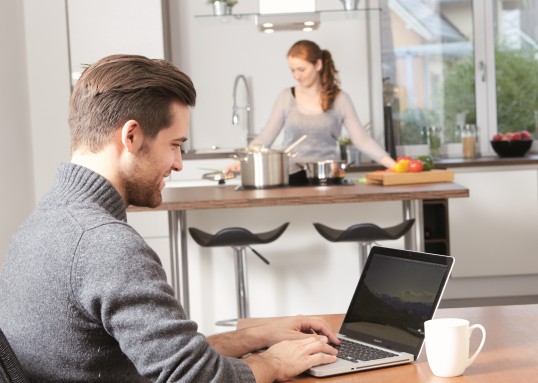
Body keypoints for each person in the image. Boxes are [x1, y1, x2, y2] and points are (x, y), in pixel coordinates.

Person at [0, 54, 340, 382]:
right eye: (175, 144)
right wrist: (274, 362)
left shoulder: (43, 223)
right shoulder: (103, 244)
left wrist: (255, 337)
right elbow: (195, 378)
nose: (177, 163)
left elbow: (157, 362)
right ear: (130, 136)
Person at [227, 40, 396, 185]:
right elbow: (265, 139)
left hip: (328, 177)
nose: (296, 76)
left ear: (318, 65)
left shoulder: (340, 99)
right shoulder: (286, 98)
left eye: (301, 69)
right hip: (291, 176)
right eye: (292, 70)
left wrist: (395, 166)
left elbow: (363, 141)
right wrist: (242, 162)